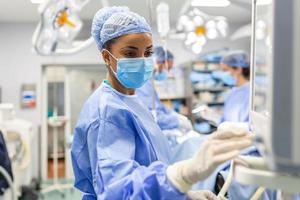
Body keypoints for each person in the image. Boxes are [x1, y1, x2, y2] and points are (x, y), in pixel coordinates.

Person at [71, 6, 253, 200]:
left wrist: (184, 195)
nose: (142, 60)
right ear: (107, 57)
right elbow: (118, 191)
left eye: (148, 53)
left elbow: (146, 169)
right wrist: (180, 176)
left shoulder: (130, 101)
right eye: (131, 54)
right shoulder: (107, 111)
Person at [219, 51, 250, 123]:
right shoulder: (233, 92)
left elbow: (250, 125)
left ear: (238, 69)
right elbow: (226, 120)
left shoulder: (249, 93)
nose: (222, 74)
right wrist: (211, 116)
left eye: (225, 70)